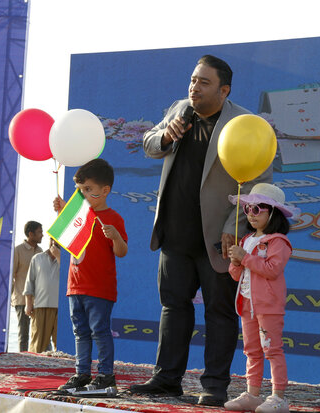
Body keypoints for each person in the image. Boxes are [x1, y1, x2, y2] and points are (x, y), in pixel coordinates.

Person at [129, 55, 272, 406]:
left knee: (218, 313)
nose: (194, 87)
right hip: (174, 235)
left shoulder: (244, 123)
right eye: (193, 80)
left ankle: (214, 387)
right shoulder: (180, 110)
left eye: (204, 82)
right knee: (173, 307)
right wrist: (166, 135)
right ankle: (166, 380)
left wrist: (232, 227)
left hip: (217, 241)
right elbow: (148, 144)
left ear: (224, 90)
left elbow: (259, 183)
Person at [53, 158, 128, 393]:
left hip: (99, 289)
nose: (83, 194)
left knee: (99, 331)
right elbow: (64, 241)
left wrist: (115, 236)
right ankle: (82, 373)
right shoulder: (77, 215)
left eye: (88, 190)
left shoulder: (113, 218)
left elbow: (121, 251)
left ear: (104, 191)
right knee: (80, 332)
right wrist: (62, 211)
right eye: (80, 190)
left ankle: (106, 375)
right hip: (75, 287)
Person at [224, 183, 299, 413]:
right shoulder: (246, 239)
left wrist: (244, 258)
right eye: (248, 209)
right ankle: (252, 393)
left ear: (273, 212)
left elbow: (272, 269)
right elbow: (237, 275)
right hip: (247, 304)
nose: (251, 214)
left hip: (268, 307)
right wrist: (235, 263)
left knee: (272, 350)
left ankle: (278, 397)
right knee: (252, 351)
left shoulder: (278, 242)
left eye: (258, 209)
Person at [24, 237, 61, 353]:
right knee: (37, 345)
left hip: (61, 309)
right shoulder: (37, 258)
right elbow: (29, 282)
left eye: (57, 239)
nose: (54, 242)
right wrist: (28, 304)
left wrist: (60, 257)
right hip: (40, 306)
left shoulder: (69, 260)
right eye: (52, 239)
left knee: (61, 348)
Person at [11, 221, 43, 352]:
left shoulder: (41, 252)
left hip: (39, 300)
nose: (42, 235)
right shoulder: (18, 250)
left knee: (38, 334)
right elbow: (11, 275)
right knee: (23, 334)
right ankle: (21, 359)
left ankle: (37, 359)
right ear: (31, 234)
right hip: (21, 299)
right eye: (40, 232)